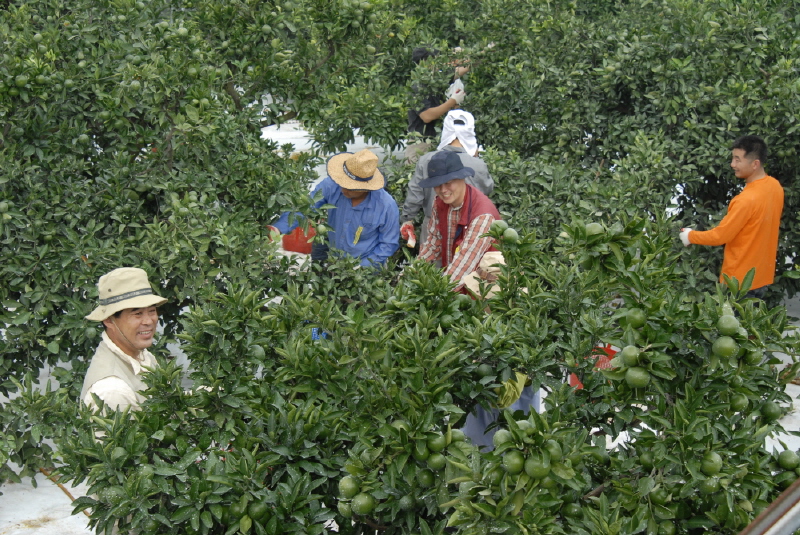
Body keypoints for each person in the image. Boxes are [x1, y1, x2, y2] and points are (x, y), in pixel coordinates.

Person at [679, 135, 784, 299]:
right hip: (762, 276)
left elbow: (720, 236)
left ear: (755, 164)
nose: (732, 164)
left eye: (737, 159)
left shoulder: (745, 200)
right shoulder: (775, 187)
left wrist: (690, 236)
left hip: (738, 282)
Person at [460, 252, 541, 450]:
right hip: (477, 432)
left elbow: (505, 397)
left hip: (510, 433)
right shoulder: (478, 324)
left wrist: (480, 367)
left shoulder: (521, 333)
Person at [269, 149, 400, 267]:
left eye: (350, 187)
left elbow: (388, 244)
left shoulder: (386, 205)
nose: (343, 189)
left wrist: (362, 267)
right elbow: (306, 207)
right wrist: (278, 228)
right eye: (342, 182)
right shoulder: (331, 185)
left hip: (365, 266)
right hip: (332, 256)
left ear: (366, 188)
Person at [400, 109, 494, 250]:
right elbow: (486, 189)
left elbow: (415, 195)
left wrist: (407, 219)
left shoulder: (426, 160)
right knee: (465, 262)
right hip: (469, 228)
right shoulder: (478, 164)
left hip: (432, 227)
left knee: (429, 263)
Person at [81, 267, 167, 411]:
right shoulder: (112, 391)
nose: (148, 321)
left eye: (152, 311)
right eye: (137, 314)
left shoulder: (141, 355)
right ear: (109, 320)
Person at [417, 150, 501, 290]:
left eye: (448, 183)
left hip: (483, 288)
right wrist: (410, 272)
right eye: (437, 184)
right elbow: (433, 244)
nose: (443, 190)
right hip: (455, 282)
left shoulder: (482, 215)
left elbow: (465, 263)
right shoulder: (439, 203)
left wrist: (440, 294)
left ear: (462, 178)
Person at [405, 47, 468, 163]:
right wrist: (452, 101)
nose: (440, 64)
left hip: (438, 141)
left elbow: (463, 69)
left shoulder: (436, 81)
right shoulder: (417, 87)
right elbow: (427, 116)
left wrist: (487, 50)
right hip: (421, 144)